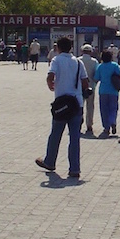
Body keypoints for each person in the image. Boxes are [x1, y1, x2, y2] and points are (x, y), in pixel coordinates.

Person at [35, 37, 88, 177]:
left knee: (56, 134)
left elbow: (50, 76)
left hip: (61, 104)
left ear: (57, 47)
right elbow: (85, 81)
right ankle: (74, 169)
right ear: (71, 47)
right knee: (75, 137)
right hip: (77, 104)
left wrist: (51, 86)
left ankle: (50, 161)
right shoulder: (78, 62)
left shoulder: (56, 60)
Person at [93, 50, 120, 137]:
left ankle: (106, 127)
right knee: (113, 108)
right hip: (113, 90)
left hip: (103, 90)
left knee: (104, 109)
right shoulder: (115, 65)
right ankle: (113, 121)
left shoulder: (100, 66)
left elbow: (96, 78)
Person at [79, 44, 99, 134]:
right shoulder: (94, 61)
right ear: (91, 52)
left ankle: (78, 123)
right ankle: (89, 125)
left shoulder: (78, 60)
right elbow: (97, 74)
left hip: (79, 87)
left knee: (79, 106)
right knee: (90, 106)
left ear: (82, 51)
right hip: (91, 86)